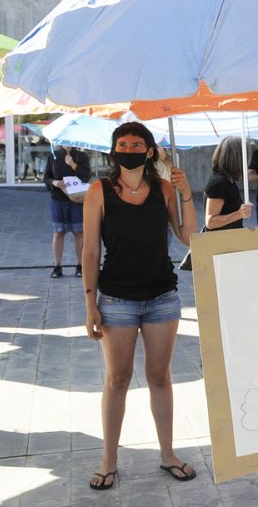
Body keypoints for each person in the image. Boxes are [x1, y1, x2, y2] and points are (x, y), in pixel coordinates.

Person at [81, 122, 199, 491]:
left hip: (162, 296)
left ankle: (168, 454)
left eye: (136, 143)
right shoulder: (98, 191)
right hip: (115, 299)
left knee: (160, 377)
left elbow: (188, 237)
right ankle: (109, 461)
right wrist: (89, 303)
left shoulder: (163, 188)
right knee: (116, 379)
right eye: (122, 142)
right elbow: (89, 249)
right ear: (114, 150)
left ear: (148, 151)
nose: (128, 147)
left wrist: (186, 193)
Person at [44, 145, 92, 278]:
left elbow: (86, 176)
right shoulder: (53, 156)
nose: (67, 144)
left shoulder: (82, 156)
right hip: (58, 199)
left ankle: (80, 266)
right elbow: (46, 178)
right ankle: (57, 266)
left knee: (79, 232)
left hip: (76, 199)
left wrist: (73, 165)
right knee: (58, 232)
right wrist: (54, 183)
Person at [204, 136, 253, 231]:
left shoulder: (228, 180)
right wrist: (239, 214)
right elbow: (210, 222)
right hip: (220, 243)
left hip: (229, 240)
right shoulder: (219, 183)